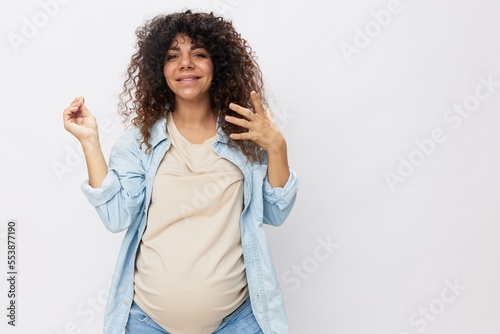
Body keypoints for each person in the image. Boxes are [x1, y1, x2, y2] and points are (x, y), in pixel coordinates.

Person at [63, 10, 298, 334]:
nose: (186, 64)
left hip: (239, 322)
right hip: (146, 323)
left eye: (198, 54)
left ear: (219, 65)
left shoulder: (246, 136)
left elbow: (274, 211)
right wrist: (90, 142)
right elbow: (116, 216)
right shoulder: (139, 142)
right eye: (174, 56)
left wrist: (276, 148)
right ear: (161, 69)